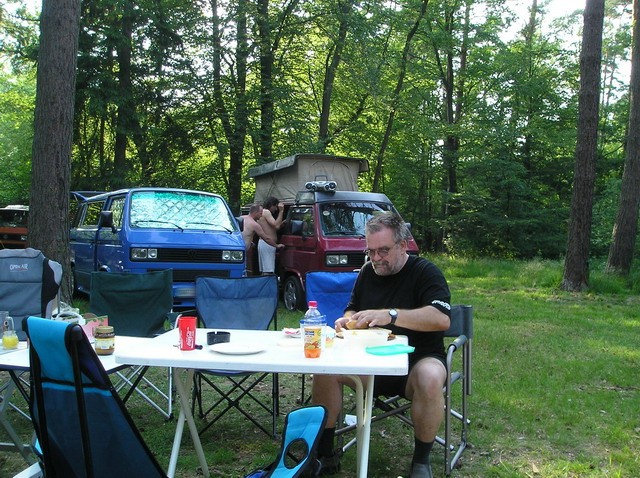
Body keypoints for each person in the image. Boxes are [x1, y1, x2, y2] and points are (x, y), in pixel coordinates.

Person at [310, 212, 451, 478]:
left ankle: (421, 462)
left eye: (383, 251)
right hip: (369, 363)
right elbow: (352, 308)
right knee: (325, 369)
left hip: (415, 362)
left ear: (403, 245)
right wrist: (349, 320)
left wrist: (392, 315)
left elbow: (441, 318)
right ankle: (325, 454)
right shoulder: (367, 271)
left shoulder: (425, 272)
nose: (375, 258)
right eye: (370, 251)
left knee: (431, 376)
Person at [257, 196, 284, 275]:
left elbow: (272, 228)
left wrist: (282, 224)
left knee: (265, 269)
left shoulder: (263, 213)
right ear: (272, 205)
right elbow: (276, 225)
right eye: (275, 207)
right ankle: (267, 283)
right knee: (268, 270)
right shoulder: (266, 212)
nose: (276, 209)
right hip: (267, 244)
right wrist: (281, 211)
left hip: (265, 244)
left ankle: (264, 283)